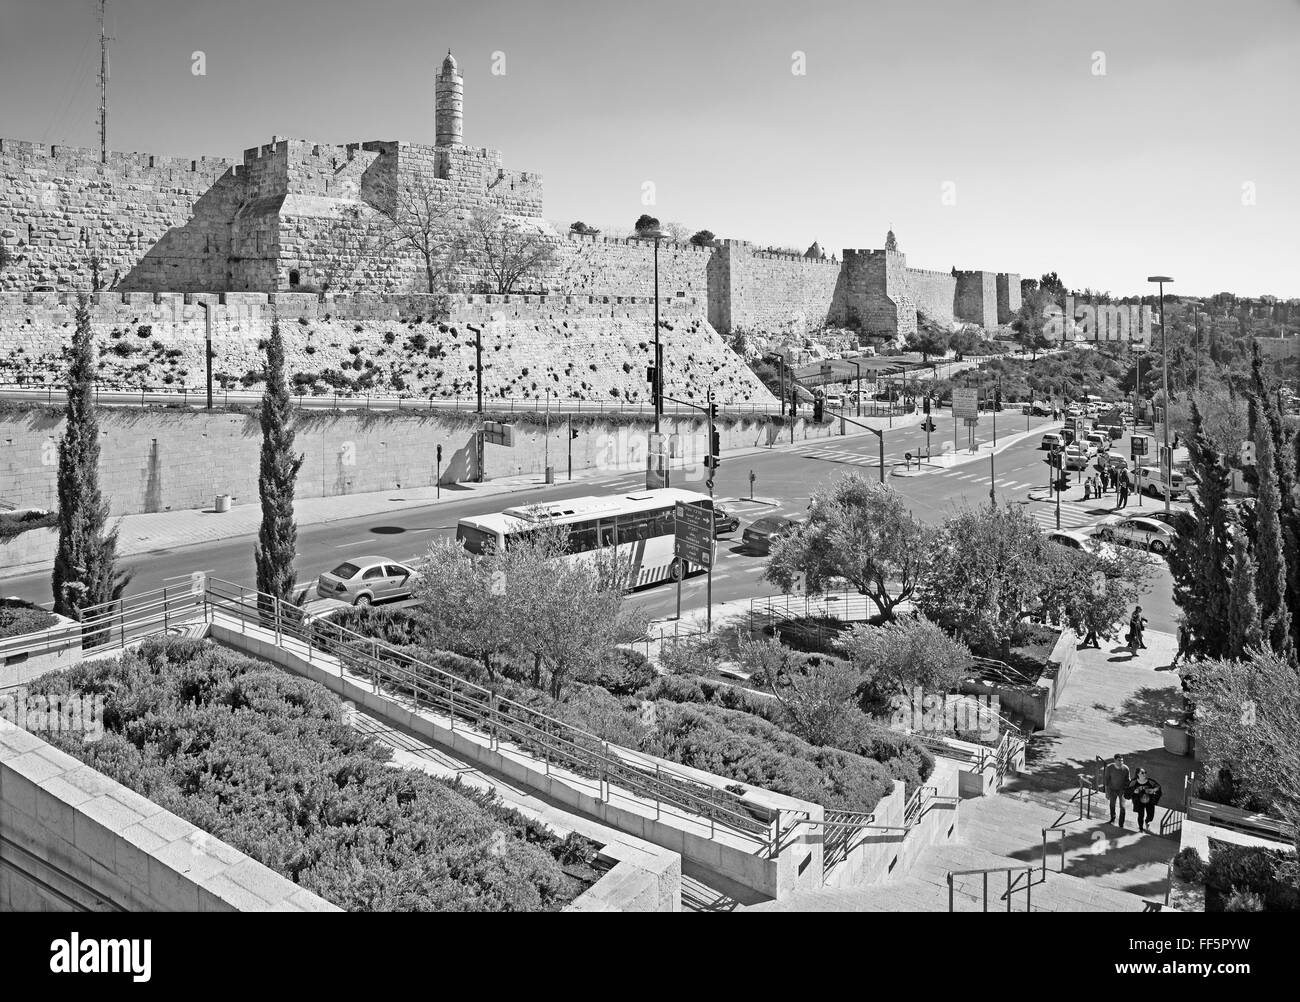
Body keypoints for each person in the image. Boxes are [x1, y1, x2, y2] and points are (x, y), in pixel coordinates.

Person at [1127, 768, 1163, 833]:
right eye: (1142, 773)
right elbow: (1127, 790)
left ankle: (1147, 821)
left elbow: (1158, 787)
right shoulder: (1134, 782)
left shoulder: (1150, 781)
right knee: (1140, 816)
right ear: (1138, 774)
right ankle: (1141, 828)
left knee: (1151, 816)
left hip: (1150, 802)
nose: (1145, 774)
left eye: (1145, 772)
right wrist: (1134, 791)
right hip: (1139, 802)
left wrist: (1153, 790)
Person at [1102, 753, 1131, 827]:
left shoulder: (1126, 768)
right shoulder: (1109, 767)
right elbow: (1106, 780)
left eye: (1122, 760)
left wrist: (1128, 790)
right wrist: (1106, 792)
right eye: (1119, 760)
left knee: (1123, 807)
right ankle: (1112, 818)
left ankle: (1121, 824)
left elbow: (1128, 780)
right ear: (1115, 760)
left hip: (1122, 790)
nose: (1121, 762)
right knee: (1112, 804)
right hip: (1112, 790)